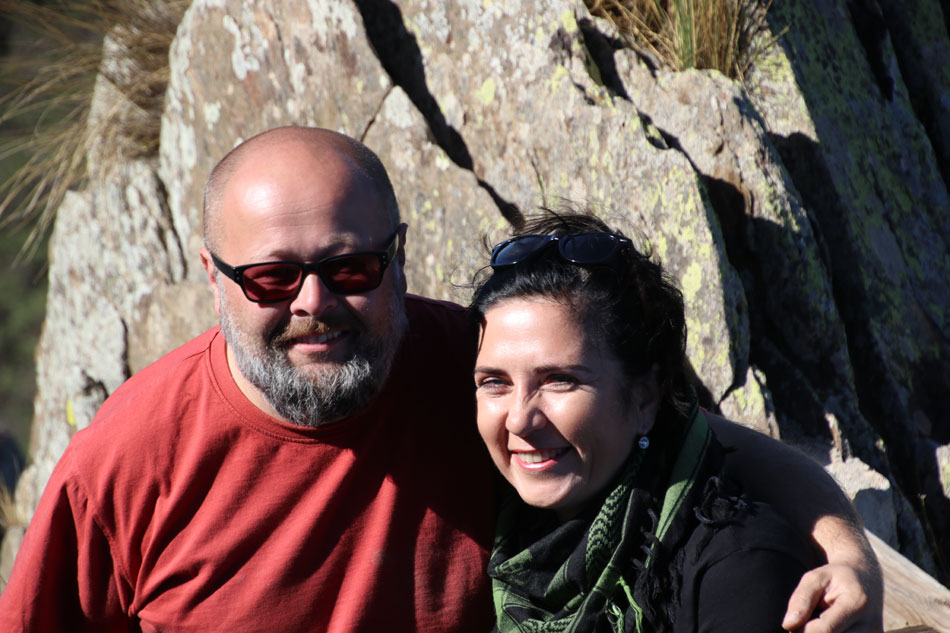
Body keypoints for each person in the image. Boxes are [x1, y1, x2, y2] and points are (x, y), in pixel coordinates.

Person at [0, 127, 880, 632]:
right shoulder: (126, 461)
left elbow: (717, 449)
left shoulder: (483, 372)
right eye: (271, 277)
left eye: (350, 267)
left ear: (398, 254)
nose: (314, 303)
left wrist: (850, 557)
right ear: (212, 275)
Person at [470, 210, 851, 632]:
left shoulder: (740, 565)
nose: (519, 420)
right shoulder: (512, 539)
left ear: (646, 397)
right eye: (494, 382)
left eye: (560, 380)